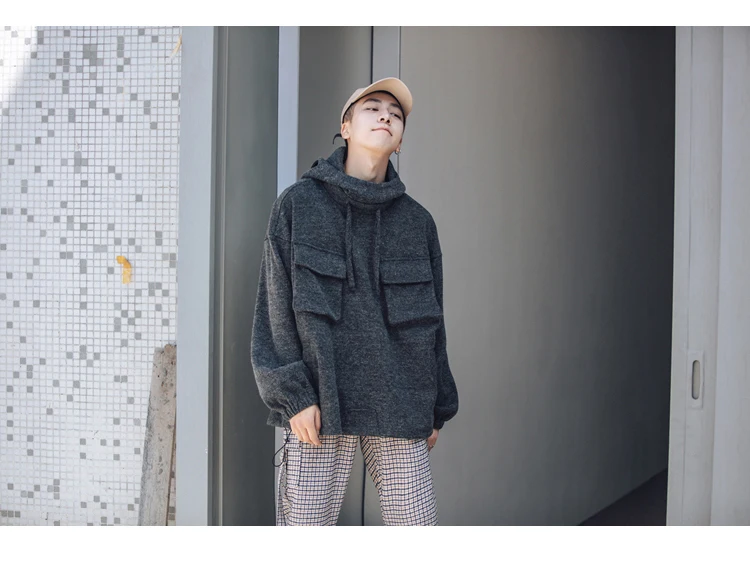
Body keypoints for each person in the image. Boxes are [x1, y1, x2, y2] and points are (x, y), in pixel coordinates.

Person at [251, 77, 458, 526]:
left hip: (401, 401)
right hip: (319, 403)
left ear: (400, 141)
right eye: (373, 107)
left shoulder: (418, 223)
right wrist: (293, 396)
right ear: (345, 128)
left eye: (396, 114)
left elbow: (433, 323)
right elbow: (275, 309)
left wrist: (438, 404)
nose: (386, 116)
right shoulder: (298, 206)